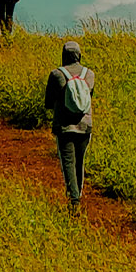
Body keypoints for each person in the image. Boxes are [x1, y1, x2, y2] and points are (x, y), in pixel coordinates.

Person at [45, 41, 96, 214]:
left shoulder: (56, 74)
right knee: (79, 162)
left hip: (64, 126)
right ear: (79, 55)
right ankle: (78, 194)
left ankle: (74, 201)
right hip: (85, 125)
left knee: (68, 163)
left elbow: (48, 102)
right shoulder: (89, 74)